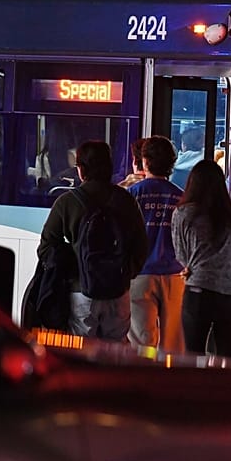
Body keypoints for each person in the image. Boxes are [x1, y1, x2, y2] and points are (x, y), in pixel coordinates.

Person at [37, 140, 148, 340]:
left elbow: (46, 247)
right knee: (114, 357)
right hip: (118, 291)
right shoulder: (126, 200)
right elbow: (141, 245)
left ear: (82, 169)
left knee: (82, 355)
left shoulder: (67, 202)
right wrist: (126, 272)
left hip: (81, 292)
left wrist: (73, 267)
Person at [171, 159, 231, 356]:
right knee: (229, 361)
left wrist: (191, 265)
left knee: (193, 356)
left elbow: (181, 254)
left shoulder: (183, 213)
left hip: (198, 291)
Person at [127, 136, 186, 353]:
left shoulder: (132, 194)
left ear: (145, 161)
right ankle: (170, 382)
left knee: (141, 340)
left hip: (140, 274)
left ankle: (143, 380)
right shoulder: (181, 197)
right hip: (175, 276)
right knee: (173, 342)